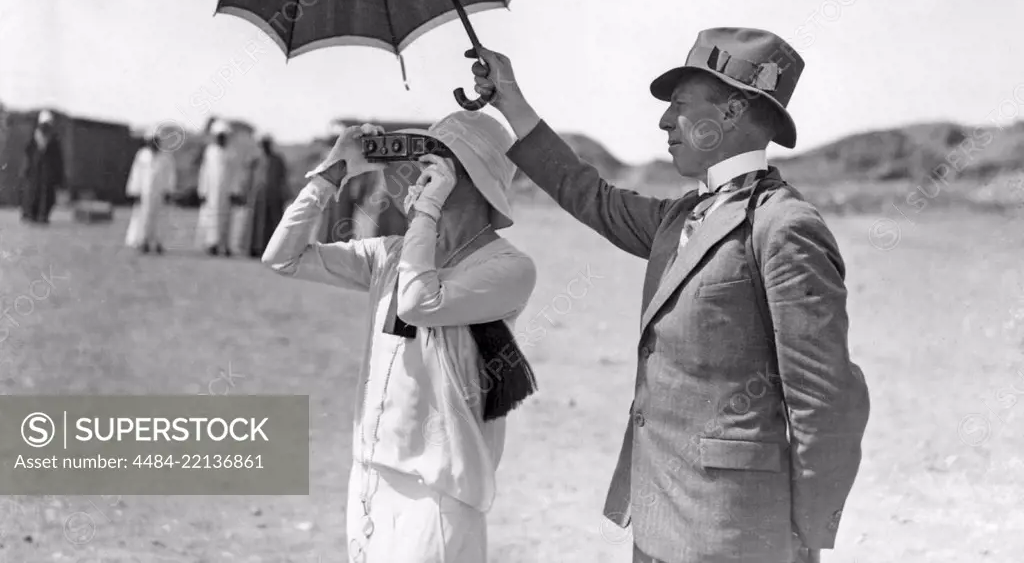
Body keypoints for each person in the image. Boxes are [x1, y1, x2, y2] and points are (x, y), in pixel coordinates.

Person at [469, 28, 871, 563]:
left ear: (731, 111)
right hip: (659, 526)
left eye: (680, 105)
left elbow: (827, 401)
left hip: (741, 538)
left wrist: (799, 540)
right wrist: (510, 101)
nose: (663, 121)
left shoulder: (782, 225)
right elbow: (590, 195)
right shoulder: (679, 218)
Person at [262, 112, 538, 563]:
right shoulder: (391, 254)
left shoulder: (508, 268)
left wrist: (425, 212)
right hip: (370, 475)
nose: (421, 167)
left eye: (440, 159)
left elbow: (418, 302)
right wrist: (332, 173)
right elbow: (282, 258)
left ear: (475, 176)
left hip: (440, 491)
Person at [124, 126, 177, 254]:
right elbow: (136, 173)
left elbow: (170, 175)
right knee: (142, 217)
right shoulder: (142, 155)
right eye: (151, 140)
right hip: (144, 193)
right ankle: (143, 242)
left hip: (160, 193)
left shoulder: (166, 157)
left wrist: (169, 191)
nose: (154, 143)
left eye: (156, 140)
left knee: (160, 219)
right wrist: (134, 190)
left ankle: (158, 243)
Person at [195, 118, 243, 256]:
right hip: (211, 193)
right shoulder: (210, 151)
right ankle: (211, 244)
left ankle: (225, 245)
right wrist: (202, 190)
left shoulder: (232, 152)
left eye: (223, 136)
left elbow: (236, 174)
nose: (221, 138)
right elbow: (204, 172)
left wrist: (235, 190)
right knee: (210, 218)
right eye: (219, 136)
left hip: (227, 193)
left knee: (227, 219)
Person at [246, 132, 290, 258]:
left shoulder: (278, 159)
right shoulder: (255, 159)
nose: (265, 146)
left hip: (274, 196)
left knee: (273, 222)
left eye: (267, 144)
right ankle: (255, 249)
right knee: (257, 222)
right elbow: (250, 178)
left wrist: (285, 193)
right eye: (263, 144)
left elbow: (283, 178)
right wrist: (248, 193)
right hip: (259, 195)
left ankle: (272, 249)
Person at [19, 109, 65, 224]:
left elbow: (58, 161)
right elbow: (28, 157)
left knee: (46, 196)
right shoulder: (33, 139)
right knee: (32, 194)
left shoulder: (54, 141)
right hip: (35, 174)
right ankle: (31, 215)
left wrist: (59, 177)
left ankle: (42, 216)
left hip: (47, 175)